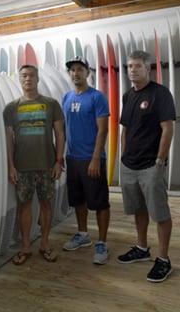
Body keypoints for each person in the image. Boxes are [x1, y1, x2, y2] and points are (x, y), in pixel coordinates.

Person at [117, 50, 176, 283]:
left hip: (152, 164)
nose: (132, 69)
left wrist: (160, 161)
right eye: (129, 66)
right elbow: (125, 129)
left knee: (159, 213)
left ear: (148, 68)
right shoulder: (127, 96)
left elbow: (168, 129)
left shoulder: (160, 94)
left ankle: (163, 259)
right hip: (129, 164)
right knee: (138, 209)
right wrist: (123, 156)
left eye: (137, 66)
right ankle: (141, 248)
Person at [4, 64, 65, 265]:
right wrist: (11, 166)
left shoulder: (51, 104)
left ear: (37, 79)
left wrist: (58, 161)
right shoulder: (11, 108)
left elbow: (60, 134)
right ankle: (25, 246)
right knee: (24, 206)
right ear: (20, 80)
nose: (28, 79)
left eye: (31, 75)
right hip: (22, 167)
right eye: (24, 76)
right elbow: (8, 140)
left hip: (47, 165)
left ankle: (45, 244)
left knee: (46, 204)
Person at [62, 56, 110, 264]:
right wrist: (60, 156)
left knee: (99, 203)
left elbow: (103, 130)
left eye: (80, 69)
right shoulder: (66, 98)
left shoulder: (97, 97)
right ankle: (83, 235)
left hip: (92, 158)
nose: (75, 73)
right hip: (72, 159)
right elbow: (64, 129)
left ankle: (102, 243)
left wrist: (95, 159)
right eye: (72, 70)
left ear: (87, 73)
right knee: (78, 201)